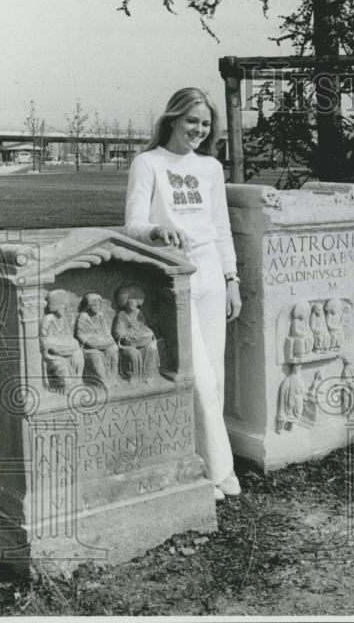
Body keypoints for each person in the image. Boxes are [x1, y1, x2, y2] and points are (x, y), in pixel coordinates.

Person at [124, 87, 242, 502]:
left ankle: (207, 461)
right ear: (173, 118)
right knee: (200, 380)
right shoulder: (148, 163)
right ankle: (219, 474)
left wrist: (232, 281)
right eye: (192, 120)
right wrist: (156, 231)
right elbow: (132, 223)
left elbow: (222, 228)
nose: (199, 129)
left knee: (217, 376)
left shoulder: (210, 168)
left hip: (211, 274)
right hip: (174, 278)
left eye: (206, 123)